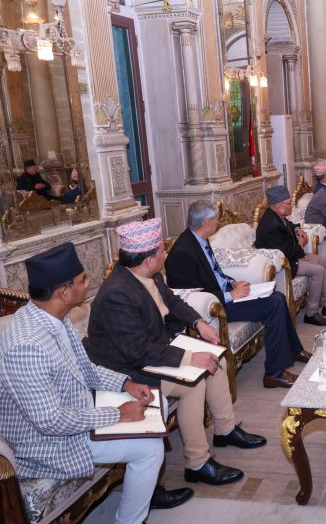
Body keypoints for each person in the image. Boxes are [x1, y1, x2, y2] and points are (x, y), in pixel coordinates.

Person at [0, 243, 191, 524]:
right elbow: (50, 421)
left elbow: (85, 368)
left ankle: (145, 494)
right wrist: (117, 414)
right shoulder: (26, 346)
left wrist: (125, 384)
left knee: (155, 401)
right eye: (82, 280)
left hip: (77, 409)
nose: (88, 283)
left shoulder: (53, 317)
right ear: (63, 292)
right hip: (48, 443)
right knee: (149, 448)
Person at [86, 219, 266, 487]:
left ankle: (225, 430)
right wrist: (190, 358)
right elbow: (137, 351)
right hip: (128, 369)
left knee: (215, 360)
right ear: (149, 259)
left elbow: (171, 300)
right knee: (192, 384)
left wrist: (199, 322)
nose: (165, 254)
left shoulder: (148, 275)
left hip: (151, 352)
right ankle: (198, 463)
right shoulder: (117, 294)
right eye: (162, 250)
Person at [165, 202, 309, 387]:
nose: (218, 223)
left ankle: (292, 350)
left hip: (225, 293)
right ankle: (274, 373)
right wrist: (231, 295)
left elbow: (214, 272)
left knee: (278, 297)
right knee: (274, 304)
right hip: (215, 307)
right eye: (215, 219)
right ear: (206, 223)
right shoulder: (182, 253)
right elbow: (191, 295)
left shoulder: (199, 239)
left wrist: (231, 282)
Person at [254, 185, 326, 326]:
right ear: (278, 206)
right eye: (289, 203)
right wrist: (301, 244)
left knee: (323, 261)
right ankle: (311, 313)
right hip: (282, 265)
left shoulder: (276, 215)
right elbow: (286, 253)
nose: (291, 206)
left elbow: (289, 224)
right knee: (318, 271)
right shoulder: (271, 225)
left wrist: (297, 229)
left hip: (291, 256)